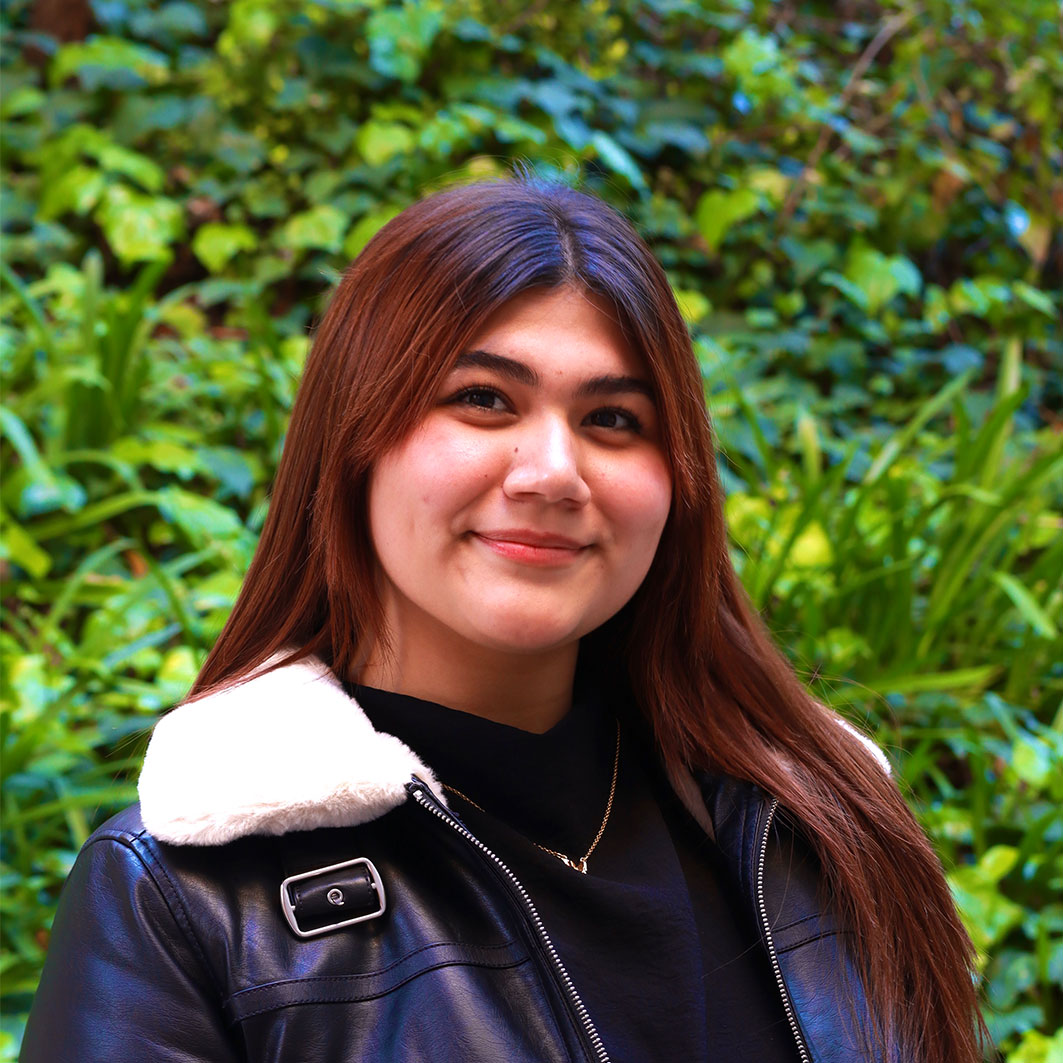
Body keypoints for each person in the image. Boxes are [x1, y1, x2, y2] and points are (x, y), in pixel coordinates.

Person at [22, 177, 983, 1063]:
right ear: (352, 441)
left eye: (612, 419)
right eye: (482, 400)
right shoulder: (186, 896)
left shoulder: (818, 825)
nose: (552, 473)